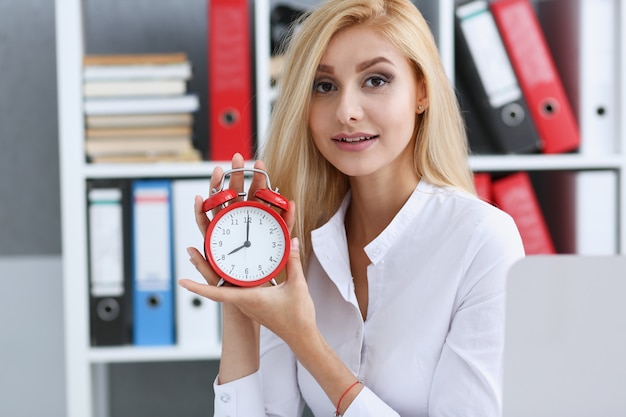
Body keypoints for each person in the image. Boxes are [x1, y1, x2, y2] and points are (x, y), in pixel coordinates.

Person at [179, 0, 525, 415]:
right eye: (324, 86)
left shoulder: (482, 240)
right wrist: (240, 296)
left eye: (376, 80)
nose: (346, 112)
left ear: (422, 91)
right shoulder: (293, 241)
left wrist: (305, 338)